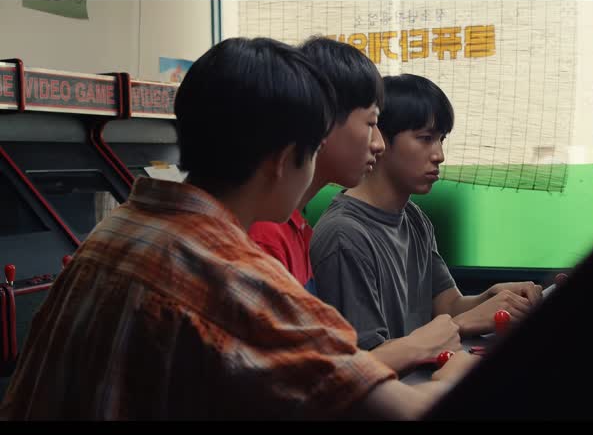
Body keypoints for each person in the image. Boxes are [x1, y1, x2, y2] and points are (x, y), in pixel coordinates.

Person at [0, 40, 476, 420]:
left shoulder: (116, 232)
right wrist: (456, 374)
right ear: (282, 160)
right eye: (313, 149)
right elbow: (407, 411)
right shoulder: (235, 278)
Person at [310, 74, 543, 374]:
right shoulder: (344, 235)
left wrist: (493, 299)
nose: (439, 155)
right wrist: (461, 324)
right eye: (425, 138)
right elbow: (364, 365)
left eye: (441, 139)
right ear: (380, 140)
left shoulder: (414, 218)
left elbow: (447, 306)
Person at [248, 36, 386, 295]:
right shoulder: (265, 238)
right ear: (322, 118)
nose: (379, 144)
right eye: (371, 123)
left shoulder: (296, 228)